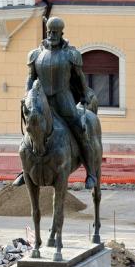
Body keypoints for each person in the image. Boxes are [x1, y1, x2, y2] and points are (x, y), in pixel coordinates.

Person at [14, 16, 98, 189]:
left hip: (63, 100)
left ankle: (90, 173)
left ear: (61, 33)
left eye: (55, 32)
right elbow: (31, 78)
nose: (51, 35)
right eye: (49, 31)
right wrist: (28, 96)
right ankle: (25, 170)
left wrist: (84, 93)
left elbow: (80, 77)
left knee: (80, 130)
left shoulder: (70, 54)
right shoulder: (36, 54)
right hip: (42, 101)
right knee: (32, 129)